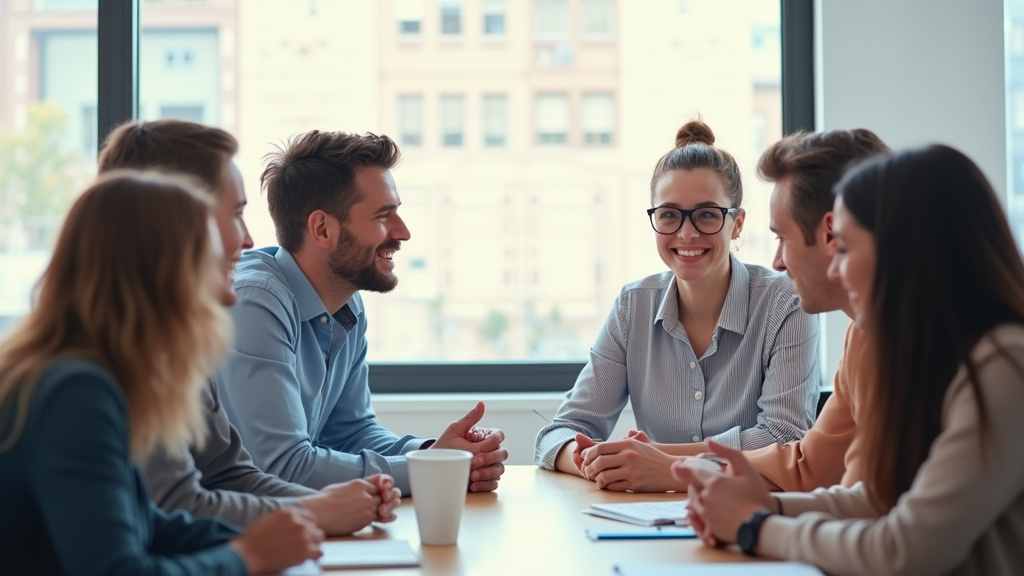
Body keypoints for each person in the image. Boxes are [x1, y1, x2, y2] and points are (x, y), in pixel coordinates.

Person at [675, 145, 1024, 575]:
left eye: (844, 248)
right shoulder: (920, 352)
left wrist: (754, 526)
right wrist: (766, 506)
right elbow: (879, 500)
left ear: (904, 250)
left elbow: (904, 551)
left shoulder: (1005, 365)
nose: (835, 270)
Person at [0, 171, 323, 575]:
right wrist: (248, 556)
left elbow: (145, 526)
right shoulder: (76, 393)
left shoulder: (93, 374)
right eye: (206, 256)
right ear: (165, 275)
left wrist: (271, 535)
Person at [96, 119, 401, 534]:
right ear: (178, 223)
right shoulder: (109, 363)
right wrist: (315, 513)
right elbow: (176, 511)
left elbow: (231, 474)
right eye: (235, 215)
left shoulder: (173, 348)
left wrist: (330, 503)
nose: (249, 240)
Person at [215, 130, 508, 495]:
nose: (404, 232)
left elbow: (350, 433)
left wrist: (437, 454)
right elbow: (283, 468)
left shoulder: (345, 303)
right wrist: (431, 469)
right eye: (384, 216)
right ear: (323, 229)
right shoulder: (254, 302)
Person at [534, 120, 820, 492]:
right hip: (650, 516)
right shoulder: (632, 307)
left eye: (707, 214)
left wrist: (662, 462)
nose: (686, 233)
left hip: (753, 512)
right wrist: (601, 462)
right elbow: (559, 433)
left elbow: (784, 439)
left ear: (737, 224)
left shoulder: (786, 303)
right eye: (669, 214)